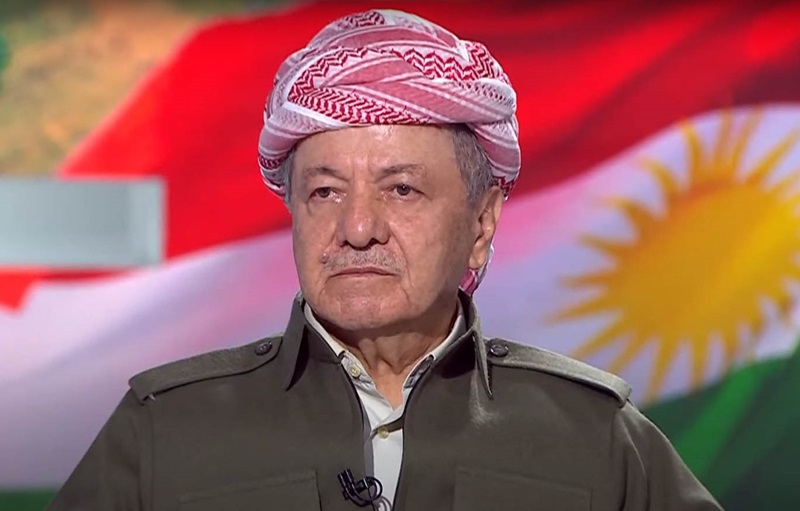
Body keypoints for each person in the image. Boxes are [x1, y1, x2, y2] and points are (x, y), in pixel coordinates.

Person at [48, 9, 723, 511]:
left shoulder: (595, 435)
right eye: (324, 192)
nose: (357, 228)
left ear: (481, 222)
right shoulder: (164, 428)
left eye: (401, 189)